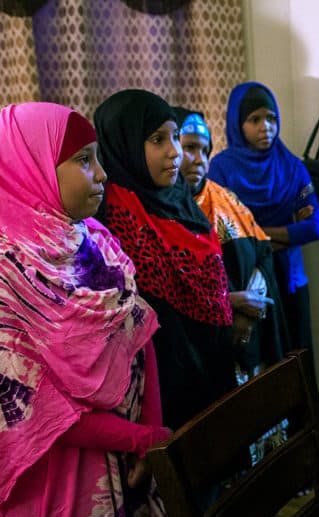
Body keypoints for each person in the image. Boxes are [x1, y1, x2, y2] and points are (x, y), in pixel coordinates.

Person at [0, 102, 185, 517]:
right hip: (61, 481)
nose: (101, 174)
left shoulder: (91, 240)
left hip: (131, 458)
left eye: (99, 158)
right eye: (84, 160)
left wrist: (148, 431)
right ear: (28, 166)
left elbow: (138, 331)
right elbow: (31, 409)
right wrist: (136, 439)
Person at [94, 89, 237, 429]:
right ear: (124, 142)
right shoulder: (108, 215)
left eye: (174, 136)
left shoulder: (182, 200)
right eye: (158, 139)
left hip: (211, 363)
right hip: (159, 383)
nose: (175, 152)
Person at [174, 107, 290, 384]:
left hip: (250, 337)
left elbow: (262, 252)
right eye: (189, 148)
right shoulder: (163, 210)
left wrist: (250, 310)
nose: (199, 160)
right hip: (201, 351)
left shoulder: (226, 199)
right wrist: (230, 307)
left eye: (205, 150)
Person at [208, 82, 319, 354]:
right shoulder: (221, 169)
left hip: (290, 281)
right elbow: (221, 235)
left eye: (271, 118)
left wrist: (255, 236)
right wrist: (283, 235)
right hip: (247, 285)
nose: (266, 127)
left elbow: (315, 228)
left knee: (297, 356)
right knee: (259, 367)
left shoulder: (292, 166)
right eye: (255, 119)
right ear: (238, 123)